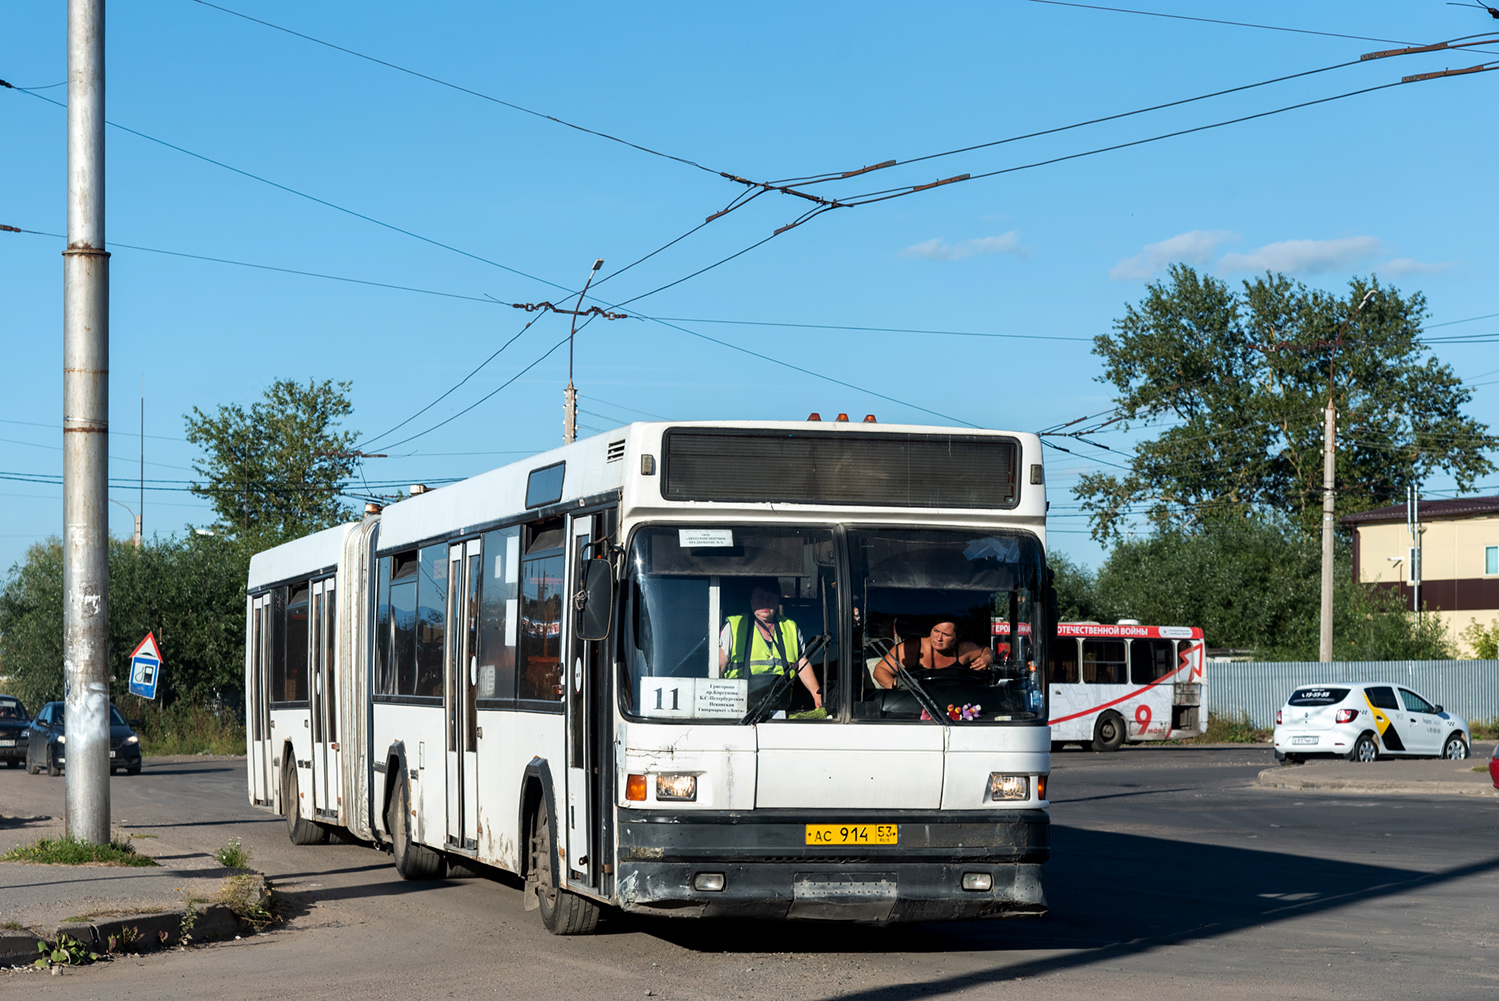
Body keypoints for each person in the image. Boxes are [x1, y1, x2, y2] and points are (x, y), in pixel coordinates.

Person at [719, 585, 823, 709]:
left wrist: (817, 698)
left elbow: (802, 664)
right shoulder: (734, 626)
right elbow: (719, 666)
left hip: (780, 707)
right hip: (740, 709)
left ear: (778, 600)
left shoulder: (790, 627)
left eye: (771, 597)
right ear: (751, 600)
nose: (766, 602)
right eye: (760, 597)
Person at [873, 621, 993, 690]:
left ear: (957, 638)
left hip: (955, 709)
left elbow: (985, 649)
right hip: (916, 708)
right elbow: (880, 670)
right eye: (936, 631)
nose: (939, 638)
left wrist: (987, 658)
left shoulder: (963, 650)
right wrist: (895, 686)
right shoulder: (912, 649)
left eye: (946, 634)